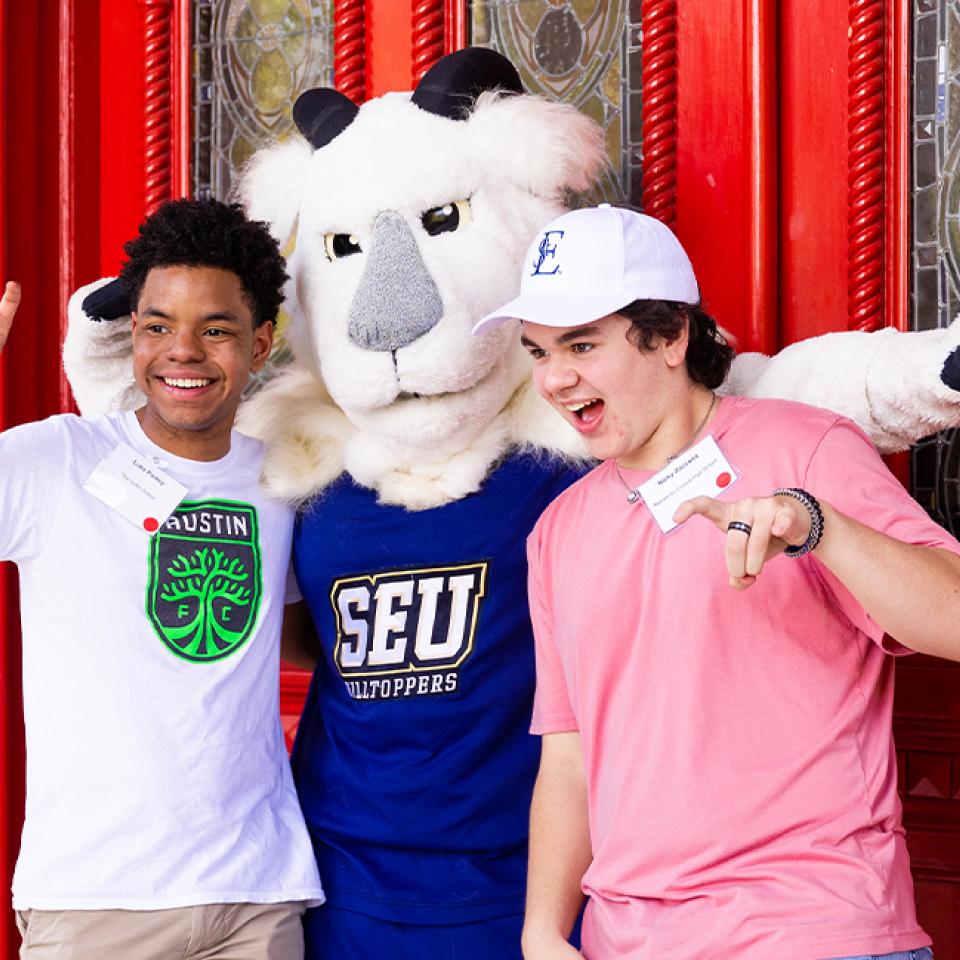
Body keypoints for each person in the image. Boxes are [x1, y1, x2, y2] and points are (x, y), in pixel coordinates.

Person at [473, 204, 960, 960]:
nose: (556, 378)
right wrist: (542, 929)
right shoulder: (557, 531)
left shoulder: (806, 447)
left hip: (813, 932)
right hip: (623, 942)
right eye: (538, 351)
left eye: (582, 344)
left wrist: (816, 525)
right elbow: (568, 759)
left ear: (670, 336)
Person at [0, 198, 324, 960]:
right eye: (157, 327)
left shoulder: (282, 478)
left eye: (215, 329)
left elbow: (306, 642)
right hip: (93, 903)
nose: (183, 351)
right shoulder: (55, 460)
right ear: (133, 336)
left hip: (256, 898)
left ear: (260, 343)